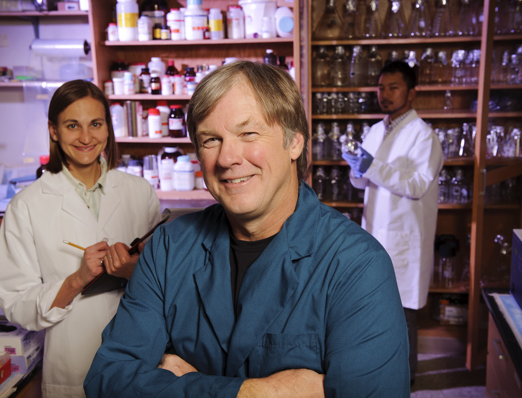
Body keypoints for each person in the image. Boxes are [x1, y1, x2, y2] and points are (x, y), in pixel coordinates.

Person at [85, 61, 410, 397]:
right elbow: (107, 381)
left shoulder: (357, 265)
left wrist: (181, 386)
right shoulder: (168, 248)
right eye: (211, 139)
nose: (227, 158)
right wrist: (259, 392)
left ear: (294, 142)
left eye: (248, 134)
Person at [0, 80, 161, 397]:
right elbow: (15, 302)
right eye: (72, 125)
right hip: (71, 363)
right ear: (54, 130)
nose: (86, 137)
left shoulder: (140, 192)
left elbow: (165, 284)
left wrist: (132, 271)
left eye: (95, 124)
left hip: (140, 357)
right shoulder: (26, 205)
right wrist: (77, 280)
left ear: (108, 128)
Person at [342, 60, 444, 383]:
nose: (384, 94)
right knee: (372, 307)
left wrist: (370, 166)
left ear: (412, 93)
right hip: (374, 232)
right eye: (381, 87)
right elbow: (361, 182)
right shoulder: (375, 129)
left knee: (402, 313)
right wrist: (357, 167)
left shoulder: (424, 136)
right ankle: (377, 371)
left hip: (404, 240)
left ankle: (405, 379)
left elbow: (415, 185)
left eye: (393, 87)